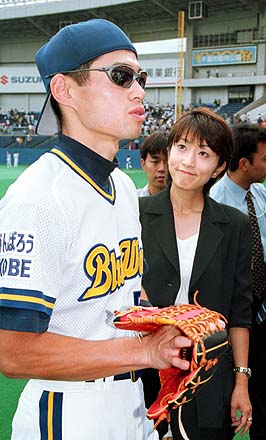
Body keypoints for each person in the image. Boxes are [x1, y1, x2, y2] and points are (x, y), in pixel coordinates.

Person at [0, 19, 192, 440]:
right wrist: (143, 349)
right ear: (65, 90)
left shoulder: (122, 186)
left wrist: (163, 320)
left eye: (139, 78)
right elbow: (12, 351)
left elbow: (119, 298)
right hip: (68, 409)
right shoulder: (38, 197)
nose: (140, 91)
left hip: (130, 399)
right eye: (122, 77)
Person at [139, 107, 253, 440]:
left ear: (219, 166)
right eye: (182, 147)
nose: (188, 161)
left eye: (203, 153)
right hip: (144, 370)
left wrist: (242, 381)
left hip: (211, 374)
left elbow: (239, 312)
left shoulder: (235, 225)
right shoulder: (136, 214)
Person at [210, 123, 266, 440]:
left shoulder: (259, 194)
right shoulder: (216, 203)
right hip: (232, 315)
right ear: (244, 163)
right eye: (265, 158)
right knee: (227, 398)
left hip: (262, 311)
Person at [137, 132, 168, 197]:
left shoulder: (189, 203)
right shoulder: (133, 201)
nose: (161, 168)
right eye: (155, 162)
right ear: (143, 164)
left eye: (168, 162)